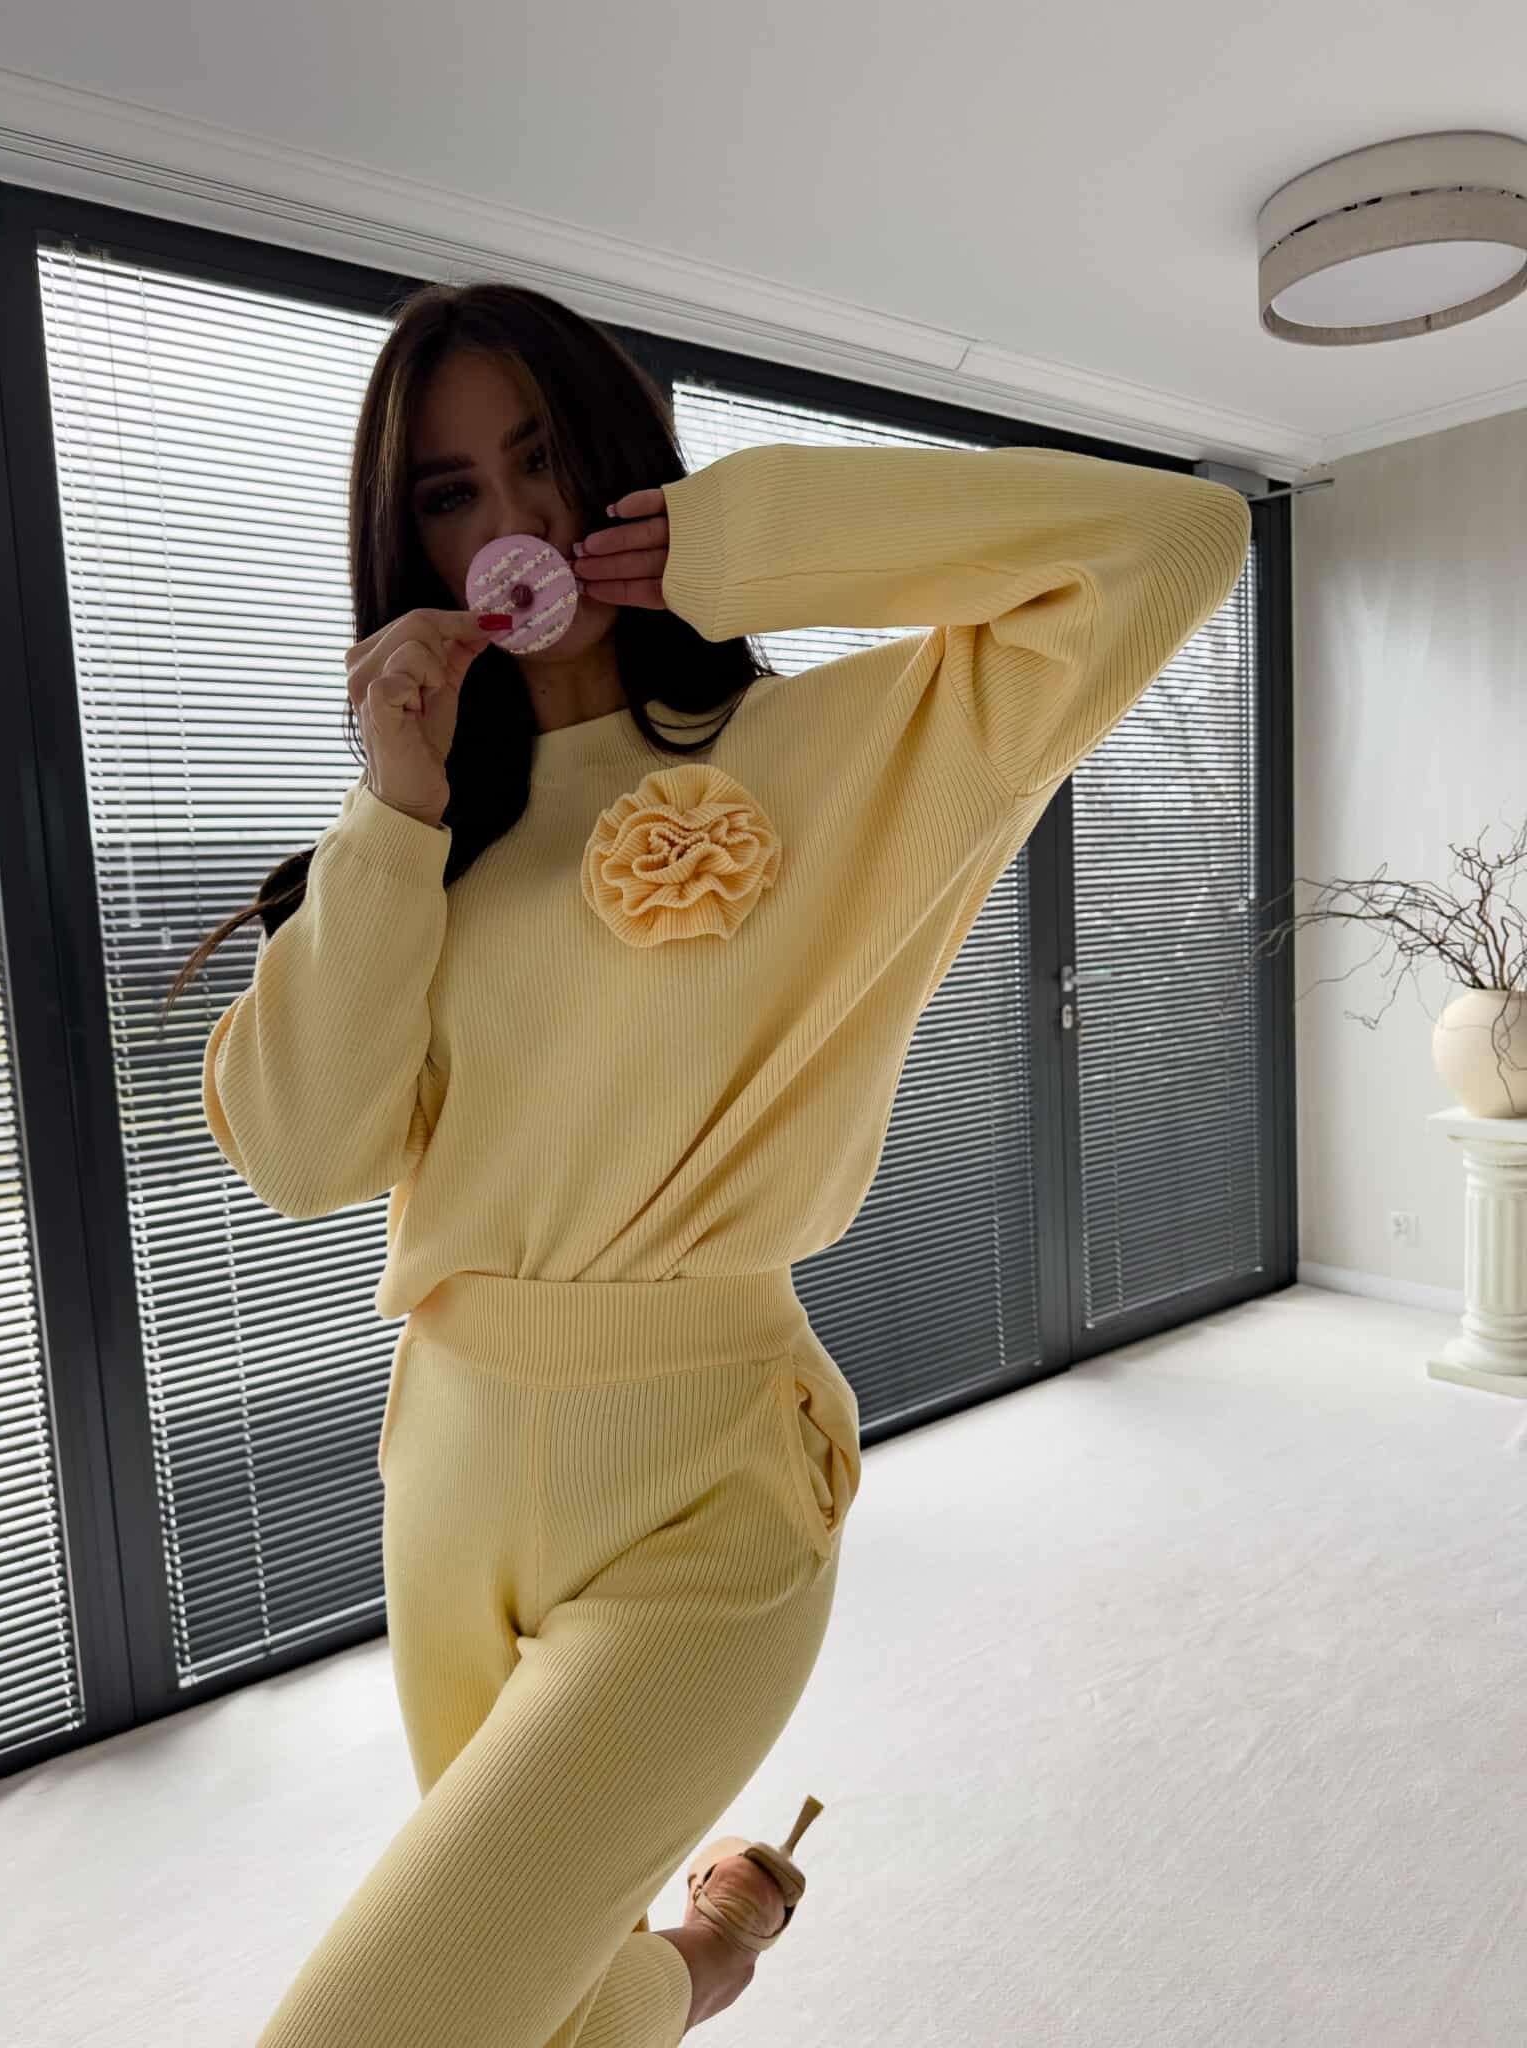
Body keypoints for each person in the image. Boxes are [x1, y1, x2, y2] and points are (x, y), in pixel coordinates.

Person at [177, 281, 1251, 2046]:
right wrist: (391, 804)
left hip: (706, 1492)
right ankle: (703, 1963)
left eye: (544, 459)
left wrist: (745, 549)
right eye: (451, 493)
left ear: (619, 463)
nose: (513, 524)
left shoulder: (846, 751)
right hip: (446, 1470)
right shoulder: (410, 840)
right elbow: (304, 1158)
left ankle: (685, 1962)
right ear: (408, 541)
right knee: (534, 1994)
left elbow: (1175, 544)